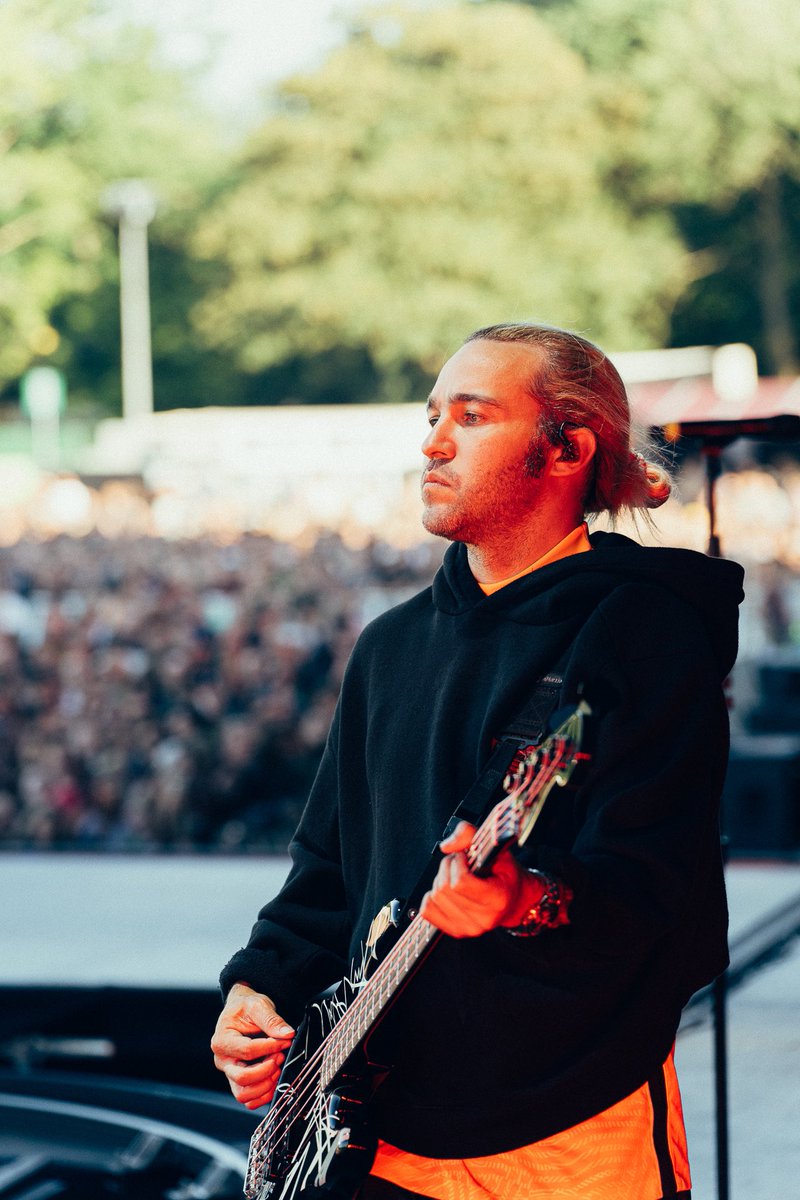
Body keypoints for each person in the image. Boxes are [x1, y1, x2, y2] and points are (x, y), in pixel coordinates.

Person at [212, 323, 744, 1200]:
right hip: (377, 1136)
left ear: (567, 448)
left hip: (572, 1128)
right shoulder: (389, 646)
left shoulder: (644, 632)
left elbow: (657, 898)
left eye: (472, 415)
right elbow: (326, 876)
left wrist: (519, 899)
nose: (433, 442)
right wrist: (257, 991)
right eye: (432, 416)